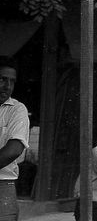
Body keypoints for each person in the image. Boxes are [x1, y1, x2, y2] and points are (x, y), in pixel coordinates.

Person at [0, 57, 30, 221]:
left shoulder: (17, 110)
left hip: (2, 186)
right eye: (2, 79)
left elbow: (13, 151)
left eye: (12, 81)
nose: (7, 86)